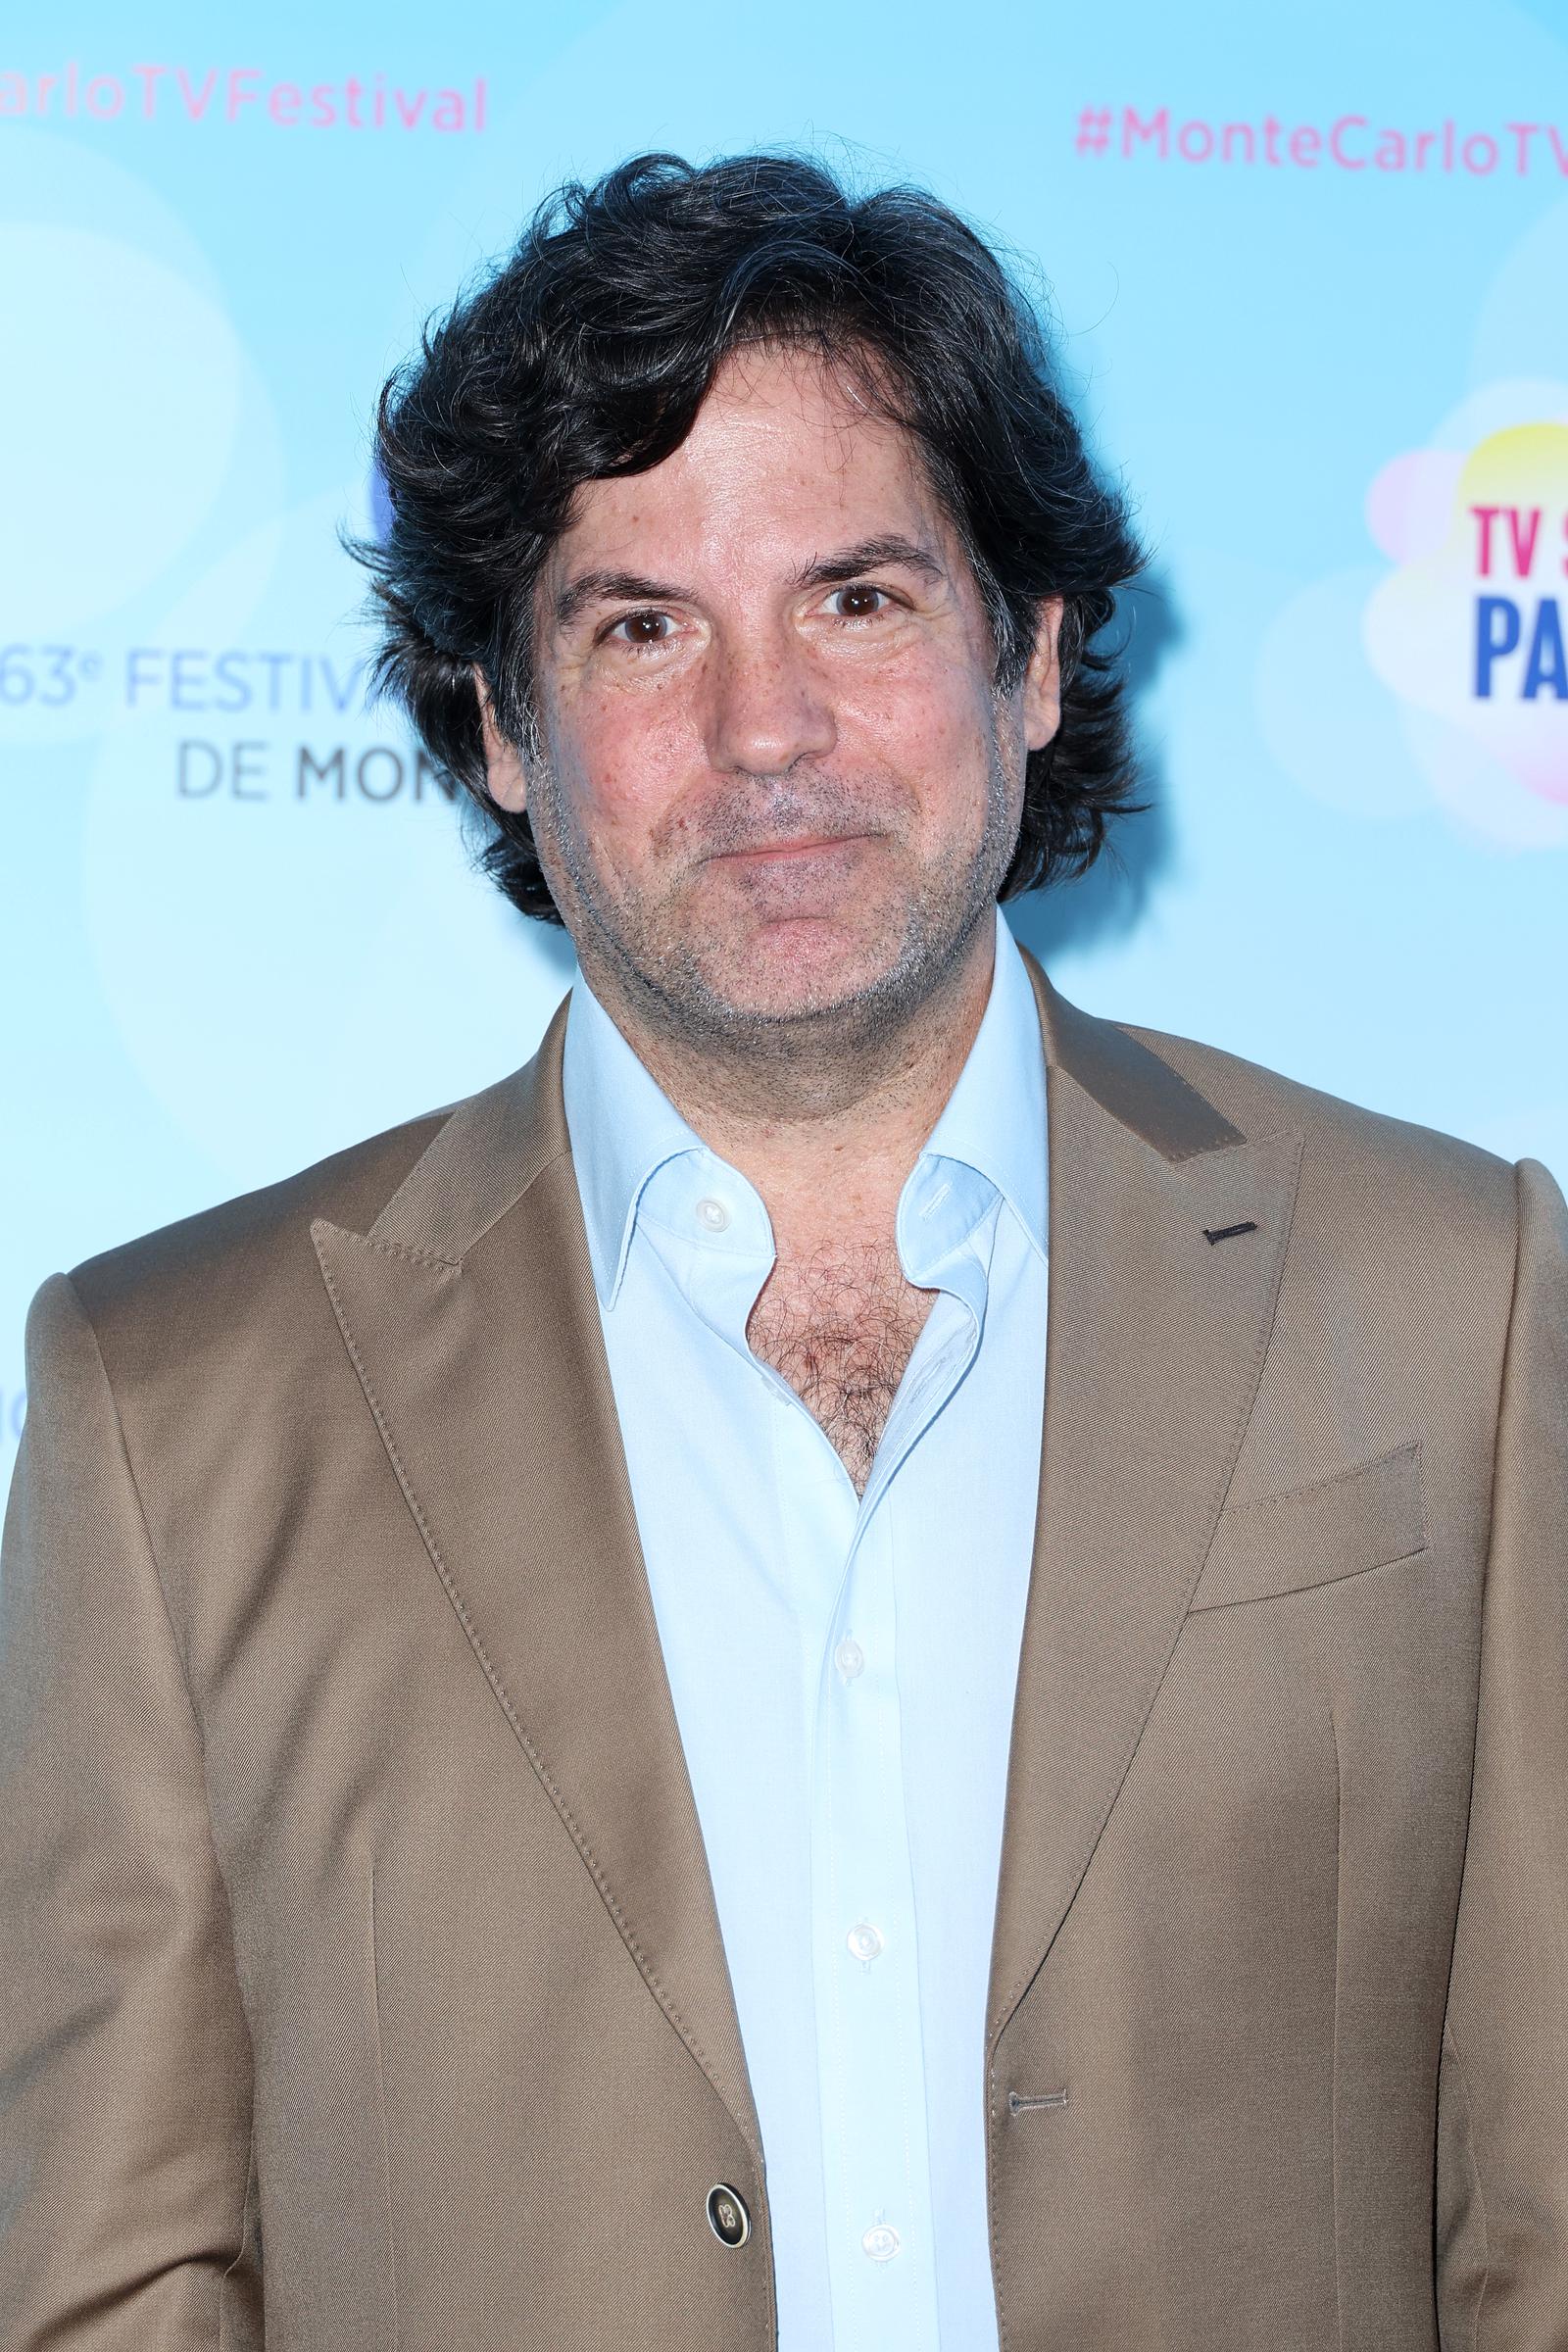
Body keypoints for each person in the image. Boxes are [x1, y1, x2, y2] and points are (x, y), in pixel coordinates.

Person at [1, 150, 1563, 2352]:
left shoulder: (1452, 1305)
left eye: (857, 599)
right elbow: (107, 2286)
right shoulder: (173, 1405)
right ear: (497, 731)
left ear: (1025, 655)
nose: (764, 735)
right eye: (641, 627)